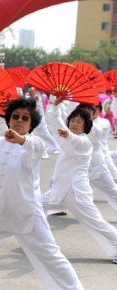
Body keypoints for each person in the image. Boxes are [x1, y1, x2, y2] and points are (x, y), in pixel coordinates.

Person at [0, 97, 92, 290]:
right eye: (15, 117)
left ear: (31, 124)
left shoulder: (34, 144)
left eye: (25, 118)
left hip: (27, 213)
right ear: (8, 119)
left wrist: (21, 139)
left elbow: (33, 147)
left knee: (50, 255)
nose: (19, 121)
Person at [42, 98, 117, 264]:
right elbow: (56, 126)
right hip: (62, 189)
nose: (74, 124)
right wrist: (55, 106)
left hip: (76, 192)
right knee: (34, 206)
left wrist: (68, 133)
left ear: (86, 126)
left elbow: (74, 140)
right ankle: (41, 244)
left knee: (95, 222)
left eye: (79, 122)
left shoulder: (84, 141)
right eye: (72, 121)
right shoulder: (67, 137)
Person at [27, 87, 61, 159]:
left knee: (45, 134)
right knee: (28, 133)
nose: (30, 93)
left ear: (35, 92)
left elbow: (36, 101)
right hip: (32, 119)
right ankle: (40, 148)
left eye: (32, 92)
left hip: (40, 119)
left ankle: (56, 147)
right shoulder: (28, 97)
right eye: (29, 92)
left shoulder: (37, 98)